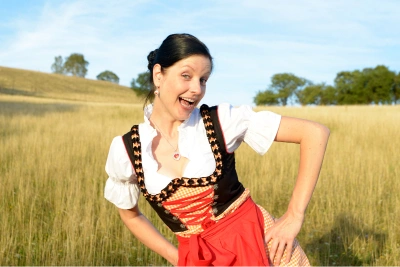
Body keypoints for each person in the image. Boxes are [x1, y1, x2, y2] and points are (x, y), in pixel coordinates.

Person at [104, 33, 330, 266]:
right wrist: (178, 257)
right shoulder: (127, 150)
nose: (196, 89)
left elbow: (314, 133)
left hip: (263, 244)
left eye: (203, 80)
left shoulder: (220, 121)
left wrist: (294, 215)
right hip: (200, 260)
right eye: (186, 76)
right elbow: (131, 215)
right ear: (158, 75)